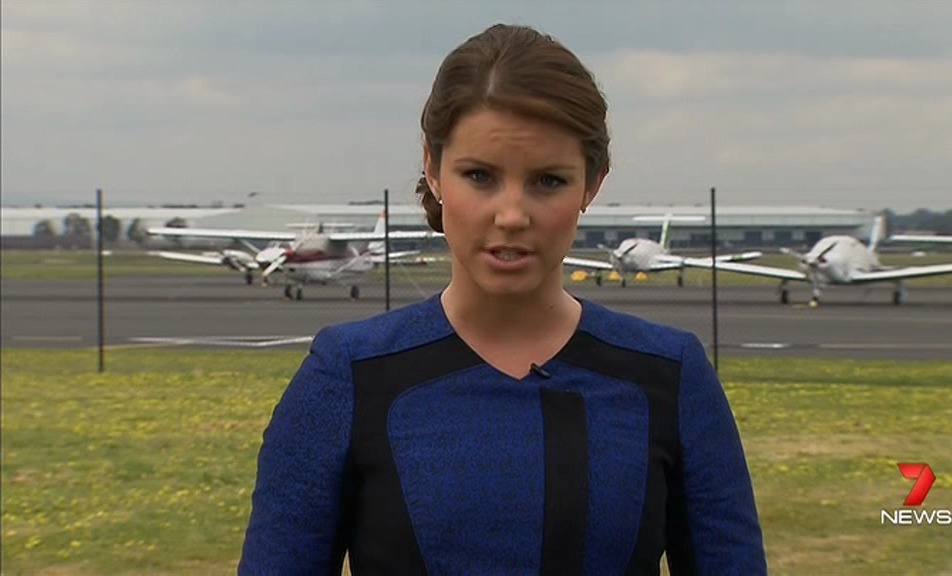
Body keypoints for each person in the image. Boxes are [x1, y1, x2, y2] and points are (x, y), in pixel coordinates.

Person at [239, 23, 766, 575]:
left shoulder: (669, 377)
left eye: (548, 181)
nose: (512, 215)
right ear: (433, 170)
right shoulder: (349, 377)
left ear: (592, 183)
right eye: (480, 176)